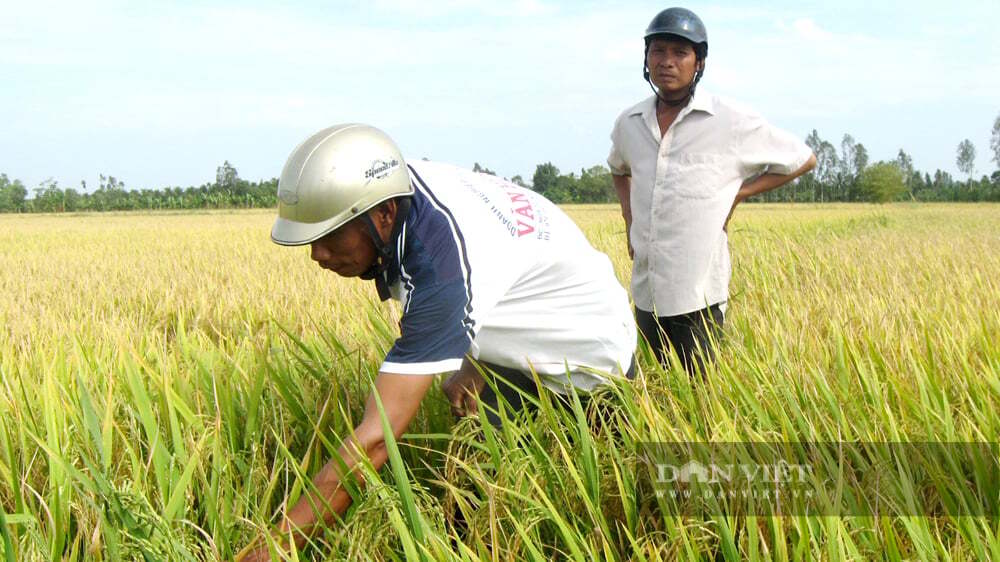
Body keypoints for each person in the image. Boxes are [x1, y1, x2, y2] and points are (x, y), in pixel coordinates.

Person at [237, 123, 636, 560]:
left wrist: (268, 551)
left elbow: (375, 440)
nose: (318, 255)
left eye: (330, 236)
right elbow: (502, 263)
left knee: (614, 510)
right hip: (533, 328)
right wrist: (473, 360)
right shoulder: (391, 182)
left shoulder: (440, 271)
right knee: (469, 495)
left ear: (385, 214)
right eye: (312, 240)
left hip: (592, 360)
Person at [608, 7, 816, 374]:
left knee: (702, 397)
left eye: (680, 53)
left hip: (698, 293)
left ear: (699, 62)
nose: (667, 62)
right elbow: (618, 168)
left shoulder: (730, 121)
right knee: (658, 388)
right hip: (646, 290)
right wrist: (629, 218)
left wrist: (739, 193)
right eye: (658, 51)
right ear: (646, 58)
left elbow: (802, 159)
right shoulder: (629, 122)